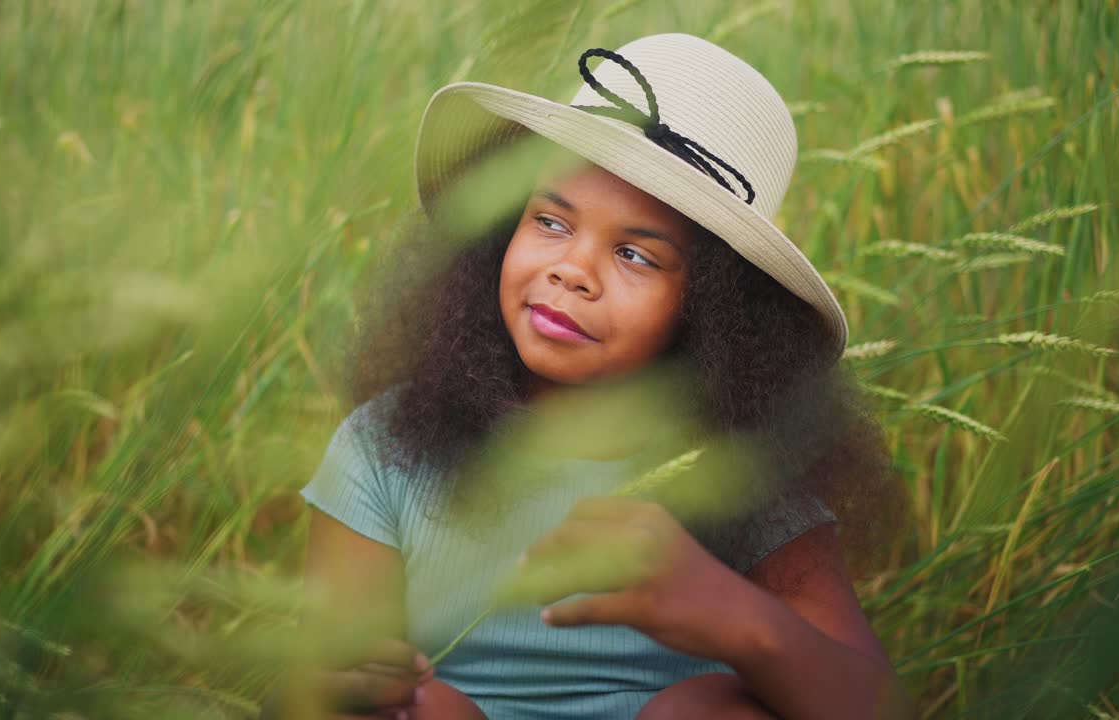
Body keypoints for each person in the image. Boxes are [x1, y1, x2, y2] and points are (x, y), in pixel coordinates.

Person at [279, 33, 913, 720]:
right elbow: (309, 689)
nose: (572, 271)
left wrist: (737, 615)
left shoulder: (744, 473)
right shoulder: (387, 448)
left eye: (637, 255)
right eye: (551, 221)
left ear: (713, 315)